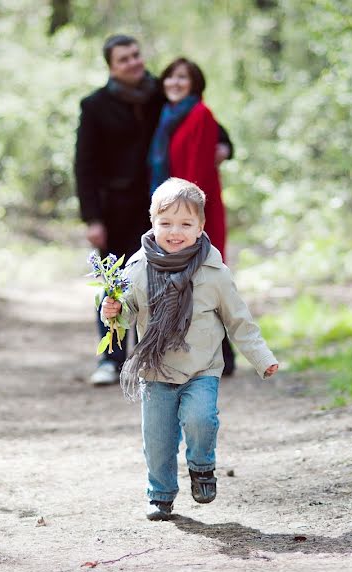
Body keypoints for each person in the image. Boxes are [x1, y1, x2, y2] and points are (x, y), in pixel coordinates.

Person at [100, 177, 278, 521]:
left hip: (201, 368)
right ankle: (161, 494)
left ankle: (201, 466)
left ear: (201, 227)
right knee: (158, 441)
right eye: (165, 223)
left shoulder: (214, 272)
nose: (174, 231)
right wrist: (114, 312)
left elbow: (239, 320)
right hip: (155, 370)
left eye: (185, 223)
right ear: (152, 223)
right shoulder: (137, 270)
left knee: (201, 420)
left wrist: (262, 359)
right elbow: (126, 316)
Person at [75, 36, 233, 386]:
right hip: (116, 208)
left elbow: (204, 118)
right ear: (111, 66)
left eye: (135, 55)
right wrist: (93, 217)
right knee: (116, 282)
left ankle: (160, 355)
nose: (133, 63)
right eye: (123, 59)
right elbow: (84, 165)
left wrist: (225, 144)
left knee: (164, 281)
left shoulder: (158, 94)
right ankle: (111, 359)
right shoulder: (95, 105)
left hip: (162, 210)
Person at [148, 57, 237, 375]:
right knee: (185, 281)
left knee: (205, 278)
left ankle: (221, 357)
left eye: (182, 77)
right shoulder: (168, 115)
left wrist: (184, 218)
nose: (174, 83)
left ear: (195, 83)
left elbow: (197, 171)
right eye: (170, 77)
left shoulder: (199, 114)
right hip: (176, 212)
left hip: (194, 212)